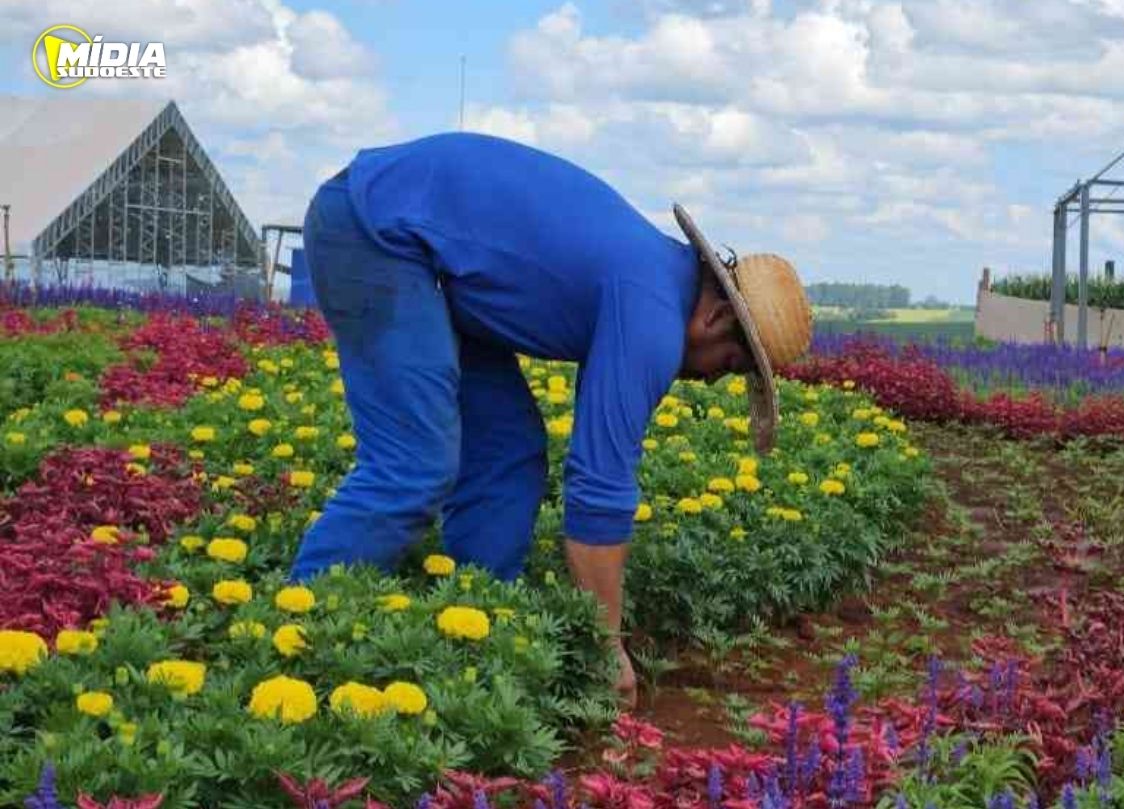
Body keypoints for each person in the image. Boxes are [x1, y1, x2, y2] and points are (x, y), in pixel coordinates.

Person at [288, 132, 812, 704]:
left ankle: (471, 634)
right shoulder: (654, 313)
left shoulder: (652, 279)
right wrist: (606, 647)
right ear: (714, 319)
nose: (714, 380)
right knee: (413, 466)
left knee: (507, 453)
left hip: (426, 251)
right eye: (730, 365)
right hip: (374, 226)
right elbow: (599, 484)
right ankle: (294, 640)